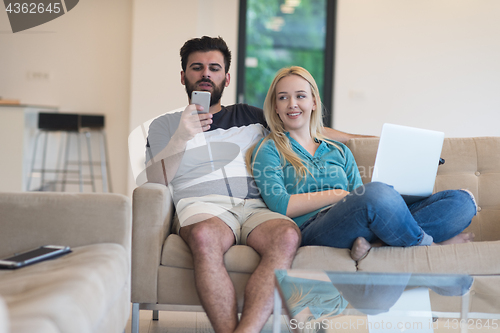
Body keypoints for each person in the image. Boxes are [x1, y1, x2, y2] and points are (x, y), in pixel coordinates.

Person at [145, 37, 368, 333]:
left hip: (255, 207)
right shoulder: (164, 125)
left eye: (214, 68)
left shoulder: (250, 116)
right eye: (197, 68)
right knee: (203, 237)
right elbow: (156, 180)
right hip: (202, 206)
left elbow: (309, 128)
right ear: (183, 76)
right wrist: (182, 136)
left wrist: (372, 139)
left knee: (287, 236)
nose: (205, 74)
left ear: (226, 77)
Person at [249, 66, 477, 262]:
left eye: (300, 96)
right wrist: (338, 194)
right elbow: (281, 205)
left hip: (361, 224)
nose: (292, 104)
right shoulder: (268, 149)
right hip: (314, 228)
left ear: (314, 102)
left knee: (462, 201)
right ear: (275, 106)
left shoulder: (339, 150)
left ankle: (377, 247)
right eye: (283, 97)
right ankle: (427, 246)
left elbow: (360, 195)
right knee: (377, 194)